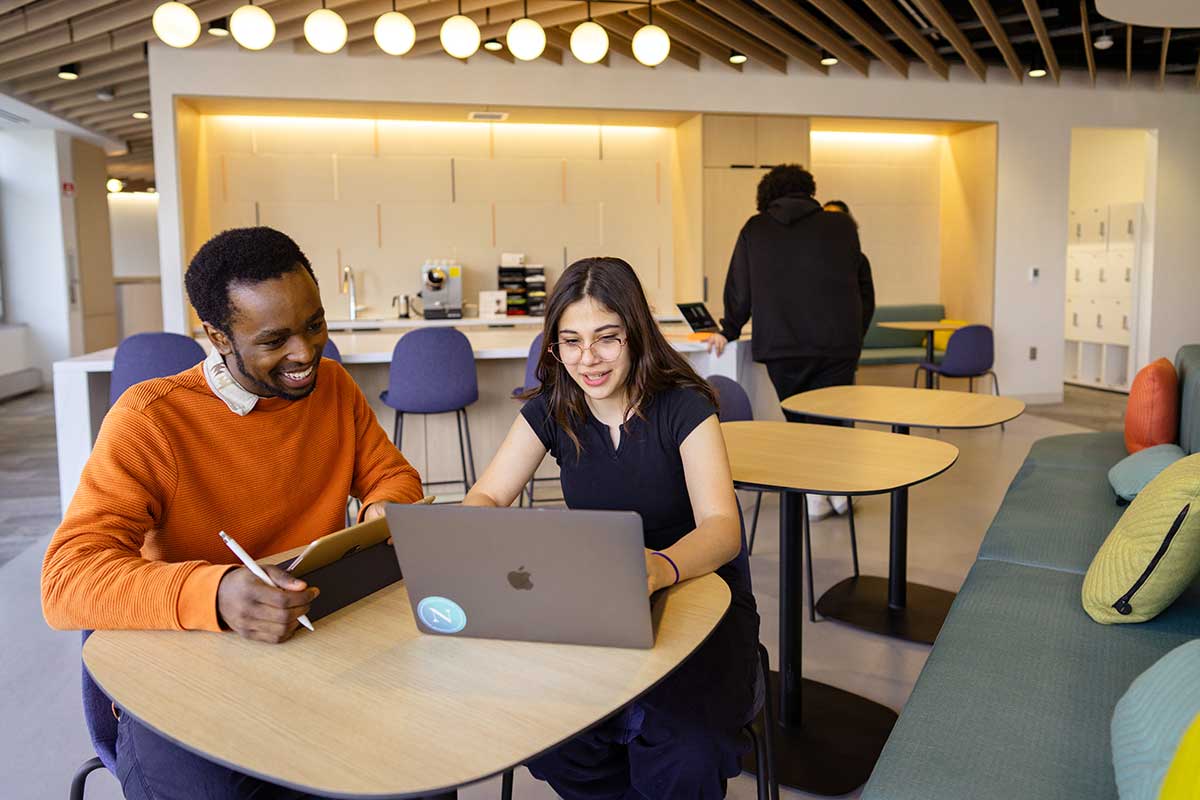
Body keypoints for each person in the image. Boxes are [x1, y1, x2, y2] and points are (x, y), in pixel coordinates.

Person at [41, 227, 427, 800]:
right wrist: (217, 594)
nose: (305, 353)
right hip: (185, 672)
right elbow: (66, 581)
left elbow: (391, 476)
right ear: (218, 335)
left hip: (314, 643)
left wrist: (384, 512)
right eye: (275, 340)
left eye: (314, 324)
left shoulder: (334, 388)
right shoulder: (150, 420)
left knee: (413, 776)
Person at [464, 257, 760, 799]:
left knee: (686, 748)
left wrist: (661, 566)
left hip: (700, 594)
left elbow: (722, 528)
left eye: (606, 339)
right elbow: (488, 493)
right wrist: (468, 530)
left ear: (635, 334)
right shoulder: (555, 408)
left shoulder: (684, 406)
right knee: (554, 738)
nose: (587, 359)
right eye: (570, 342)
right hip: (601, 600)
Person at [707, 166, 875, 518]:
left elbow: (740, 286)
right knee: (834, 420)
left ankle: (815, 494)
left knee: (799, 420)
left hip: (783, 347)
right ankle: (837, 490)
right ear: (810, 190)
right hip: (837, 345)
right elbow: (863, 285)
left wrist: (729, 329)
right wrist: (855, 335)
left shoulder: (756, 229)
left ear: (766, 195)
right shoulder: (841, 226)